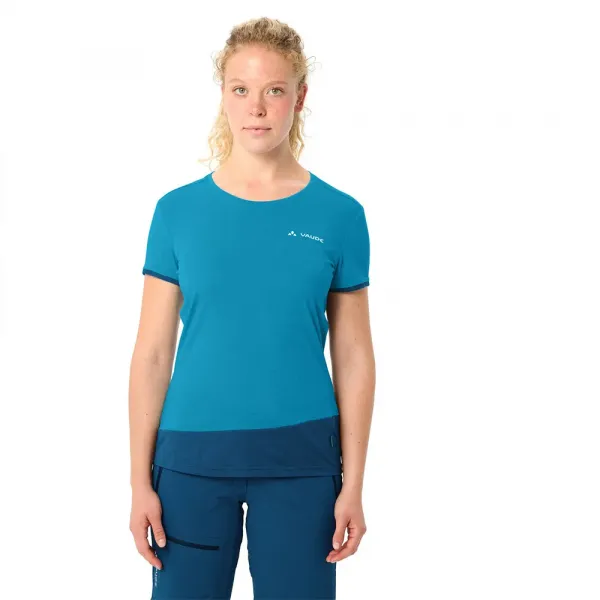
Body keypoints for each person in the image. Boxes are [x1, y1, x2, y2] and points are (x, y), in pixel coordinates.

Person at [129, 16, 376, 600]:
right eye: (241, 89)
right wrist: (139, 482)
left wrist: (355, 483)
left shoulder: (340, 215)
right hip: (190, 461)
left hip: (302, 461)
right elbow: (153, 353)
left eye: (274, 90)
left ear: (300, 97)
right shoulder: (176, 212)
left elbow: (354, 355)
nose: (257, 107)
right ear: (223, 94)